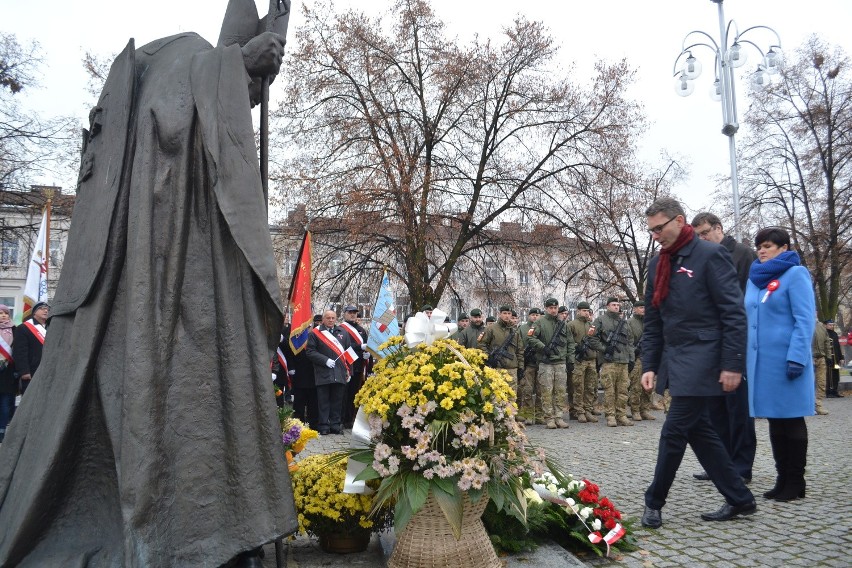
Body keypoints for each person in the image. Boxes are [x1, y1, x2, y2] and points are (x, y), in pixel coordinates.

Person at [0, 2, 296, 565]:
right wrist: (234, 67)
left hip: (190, 283)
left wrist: (246, 68)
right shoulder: (176, 60)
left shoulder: (195, 69)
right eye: (241, 87)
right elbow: (173, 119)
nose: (243, 102)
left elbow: (214, 119)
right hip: (161, 283)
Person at [640, 197, 755, 529]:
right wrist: (650, 365)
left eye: (659, 228)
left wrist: (733, 363)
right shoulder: (656, 264)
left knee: (674, 430)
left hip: (705, 357)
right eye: (650, 230)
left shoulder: (710, 255)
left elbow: (733, 313)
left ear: (679, 220)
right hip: (675, 359)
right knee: (700, 432)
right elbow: (653, 321)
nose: (655, 236)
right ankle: (740, 498)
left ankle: (654, 501)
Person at [746, 227, 816, 502]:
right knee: (775, 420)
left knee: (792, 418)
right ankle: (781, 478)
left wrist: (797, 356)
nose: (761, 251)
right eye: (759, 247)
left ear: (783, 248)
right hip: (762, 364)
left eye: (767, 246)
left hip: (788, 360)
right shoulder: (754, 279)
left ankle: (796, 481)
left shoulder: (795, 274)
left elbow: (805, 319)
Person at [691, 212, 757, 484]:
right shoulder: (703, 256)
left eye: (705, 232)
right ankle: (721, 464)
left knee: (738, 409)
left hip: (734, 339)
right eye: (698, 236)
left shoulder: (743, 254)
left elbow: (747, 300)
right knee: (715, 409)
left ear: (719, 228)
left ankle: (741, 467)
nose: (702, 238)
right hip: (710, 342)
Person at [528, 298, 575, 429]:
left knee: (560, 391)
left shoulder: (563, 324)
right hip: (546, 362)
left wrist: (570, 360)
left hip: (560, 362)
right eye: (551, 308)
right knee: (546, 392)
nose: (553, 310)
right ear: (546, 309)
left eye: (555, 308)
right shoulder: (539, 323)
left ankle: (559, 417)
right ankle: (549, 418)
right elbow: (530, 337)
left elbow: (570, 343)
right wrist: (543, 347)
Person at [589, 298, 635, 427]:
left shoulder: (624, 323)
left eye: (618, 305)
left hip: (623, 362)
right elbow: (591, 338)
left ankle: (621, 415)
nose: (616, 307)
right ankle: (610, 415)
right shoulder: (600, 321)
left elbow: (630, 342)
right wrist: (604, 349)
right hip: (609, 361)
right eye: (613, 305)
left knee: (623, 391)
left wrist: (631, 358)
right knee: (609, 390)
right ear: (608, 306)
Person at [306, 310, 353, 435]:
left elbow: (348, 353)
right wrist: (325, 360)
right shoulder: (315, 333)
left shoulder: (343, 332)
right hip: (323, 372)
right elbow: (310, 351)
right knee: (323, 401)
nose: (331, 320)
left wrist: (349, 372)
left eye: (333, 318)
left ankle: (335, 425)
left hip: (340, 372)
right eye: (328, 318)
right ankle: (324, 426)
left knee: (337, 401)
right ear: (323, 319)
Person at [479, 305, 523, 393]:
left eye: (509, 313)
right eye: (504, 313)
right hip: (497, 368)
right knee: (496, 397)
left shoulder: (515, 331)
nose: (507, 316)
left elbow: (520, 350)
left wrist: (521, 367)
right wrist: (488, 358)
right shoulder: (491, 329)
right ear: (499, 314)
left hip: (512, 369)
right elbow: (482, 344)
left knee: (511, 397)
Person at [568, 301, 598, 424]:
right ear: (578, 311)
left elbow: (596, 340)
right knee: (578, 387)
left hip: (591, 360)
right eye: (584, 311)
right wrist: (576, 347)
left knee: (590, 387)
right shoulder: (571, 325)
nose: (586, 313)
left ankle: (588, 410)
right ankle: (579, 411)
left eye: (587, 311)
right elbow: (568, 342)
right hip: (578, 360)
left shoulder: (591, 325)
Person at [340, 305, 369, 428]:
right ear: (345, 314)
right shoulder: (341, 329)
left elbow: (366, 345)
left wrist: (368, 355)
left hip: (358, 366)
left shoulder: (362, 330)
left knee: (354, 394)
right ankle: (341, 419)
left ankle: (350, 420)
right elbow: (343, 346)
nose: (353, 315)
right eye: (350, 312)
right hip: (346, 366)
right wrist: (359, 347)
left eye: (355, 313)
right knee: (343, 395)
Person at [11, 301, 48, 396]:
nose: (46, 310)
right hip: (32, 371)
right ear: (34, 312)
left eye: (47, 309)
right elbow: (20, 351)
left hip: (48, 371)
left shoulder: (50, 327)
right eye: (42, 308)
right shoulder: (23, 328)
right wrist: (24, 371)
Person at [626, 301, 655, 421]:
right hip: (636, 358)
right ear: (634, 309)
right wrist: (633, 354)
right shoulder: (630, 323)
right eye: (641, 307)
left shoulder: (649, 323)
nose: (644, 309)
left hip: (648, 358)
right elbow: (628, 342)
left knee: (648, 386)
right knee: (636, 386)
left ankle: (645, 409)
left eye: (645, 307)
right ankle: (635, 410)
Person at [518, 308, 541, 425]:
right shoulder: (522, 328)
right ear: (528, 316)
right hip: (528, 364)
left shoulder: (542, 327)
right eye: (533, 315)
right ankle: (528, 414)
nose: (535, 317)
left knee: (540, 391)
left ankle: (539, 415)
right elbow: (519, 345)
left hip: (541, 363)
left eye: (537, 315)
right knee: (527, 390)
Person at [0, 305, 15, 443]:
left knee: (5, 404)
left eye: (6, 313)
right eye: (0, 313)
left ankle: (2, 430)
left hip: (7, 373)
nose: (4, 315)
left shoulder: (14, 330)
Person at [811, 318, 831, 415]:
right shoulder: (805, 323)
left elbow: (827, 342)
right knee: (808, 383)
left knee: (821, 382)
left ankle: (818, 405)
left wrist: (828, 356)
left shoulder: (821, 327)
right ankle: (808, 405)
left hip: (821, 358)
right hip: (809, 358)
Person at [825, 320, 845, 397]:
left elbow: (837, 347)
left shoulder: (834, 334)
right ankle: (829, 391)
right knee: (829, 375)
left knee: (836, 375)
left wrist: (841, 358)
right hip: (829, 358)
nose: (831, 326)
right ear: (826, 325)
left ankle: (835, 391)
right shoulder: (825, 333)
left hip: (836, 359)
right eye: (830, 325)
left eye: (832, 325)